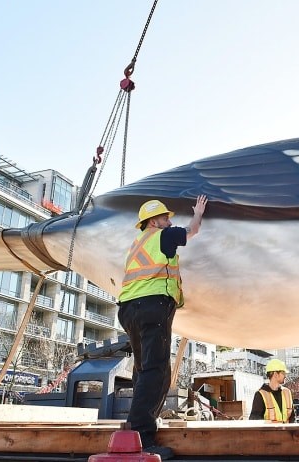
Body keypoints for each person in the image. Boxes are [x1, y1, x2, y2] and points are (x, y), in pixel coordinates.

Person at [118, 196, 207, 460]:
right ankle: (141, 437)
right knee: (157, 372)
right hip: (152, 306)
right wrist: (199, 212)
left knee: (144, 369)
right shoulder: (162, 236)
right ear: (154, 221)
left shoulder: (136, 244)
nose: (170, 222)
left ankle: (136, 429)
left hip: (128, 309)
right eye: (166, 218)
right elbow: (193, 230)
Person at [249, 358, 295, 423]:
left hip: (286, 433)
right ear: (275, 374)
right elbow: (255, 420)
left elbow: (292, 418)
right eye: (283, 373)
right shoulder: (260, 394)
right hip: (270, 433)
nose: (285, 376)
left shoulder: (287, 392)